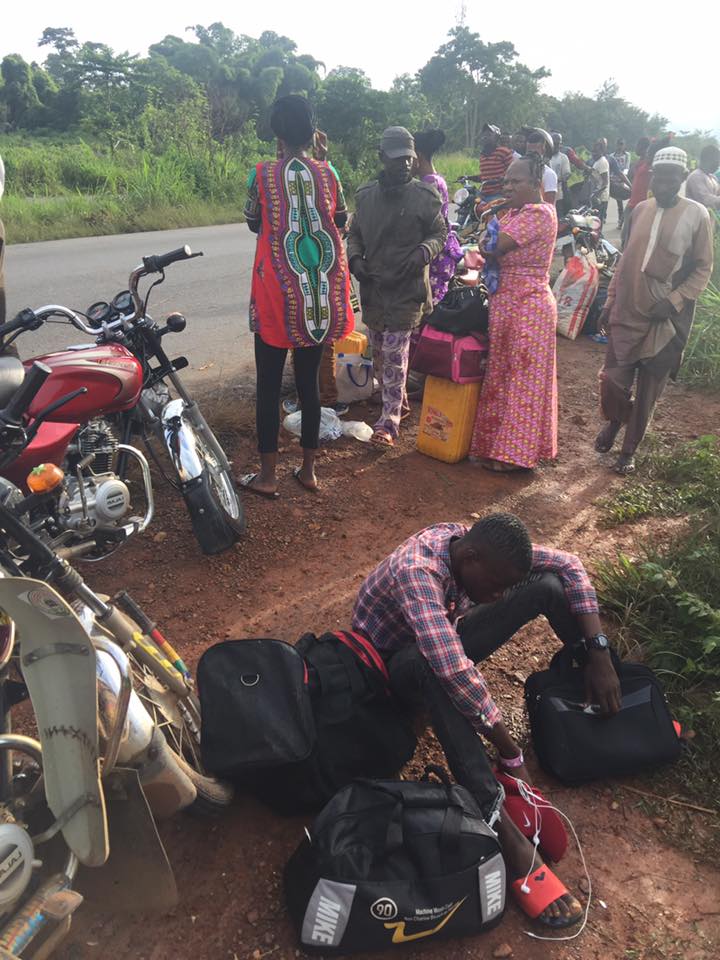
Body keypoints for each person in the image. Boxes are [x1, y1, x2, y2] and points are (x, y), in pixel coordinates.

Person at [352, 512, 621, 929]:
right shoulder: (418, 572)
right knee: (434, 666)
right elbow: (453, 670)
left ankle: (606, 696)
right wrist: (507, 747)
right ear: (471, 558)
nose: (498, 597)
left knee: (548, 585)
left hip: (440, 644)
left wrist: (598, 653)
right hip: (389, 676)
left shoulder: (475, 546)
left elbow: (569, 564)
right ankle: (499, 823)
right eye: (495, 585)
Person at [241, 95, 353, 497]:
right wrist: (322, 161)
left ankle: (268, 477)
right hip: (317, 293)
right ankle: (308, 470)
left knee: (269, 386)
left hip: (276, 291)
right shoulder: (330, 173)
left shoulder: (263, 174)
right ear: (312, 132)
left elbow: (254, 222)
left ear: (276, 132)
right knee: (308, 383)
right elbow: (340, 220)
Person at [596, 146, 714, 474]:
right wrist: (609, 301)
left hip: (665, 321)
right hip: (627, 312)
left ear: (681, 178)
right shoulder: (640, 210)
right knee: (613, 382)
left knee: (648, 391)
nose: (663, 183)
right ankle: (617, 421)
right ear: (652, 176)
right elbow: (623, 262)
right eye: (658, 176)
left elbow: (703, 268)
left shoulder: (697, 215)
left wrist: (675, 301)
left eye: (671, 177)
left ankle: (628, 450)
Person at [348, 127, 447, 448]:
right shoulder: (365, 197)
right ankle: (399, 404)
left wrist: (423, 252)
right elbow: (355, 235)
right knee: (380, 355)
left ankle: (388, 423)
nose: (404, 164)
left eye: (408, 158)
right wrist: (355, 260)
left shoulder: (425, 197)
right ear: (381, 158)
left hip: (407, 292)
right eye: (396, 159)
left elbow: (439, 233)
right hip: (375, 289)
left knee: (394, 356)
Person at [469, 153, 558, 472]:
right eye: (506, 180)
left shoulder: (539, 213)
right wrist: (485, 240)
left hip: (529, 306)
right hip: (506, 303)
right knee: (501, 374)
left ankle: (514, 456)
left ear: (536, 184)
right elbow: (486, 241)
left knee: (522, 379)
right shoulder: (516, 211)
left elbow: (493, 245)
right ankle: (492, 447)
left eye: (515, 181)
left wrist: (486, 242)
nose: (508, 186)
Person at [413, 129, 464, 305]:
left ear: (417, 156)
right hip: (440, 250)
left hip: (435, 254)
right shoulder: (435, 179)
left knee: (428, 307)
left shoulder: (429, 183)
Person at [474, 123, 514, 205]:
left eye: (489, 135)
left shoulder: (504, 152)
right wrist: (468, 177)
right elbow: (484, 176)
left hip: (498, 194)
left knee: (492, 216)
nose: (485, 137)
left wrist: (501, 179)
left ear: (496, 137)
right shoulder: (483, 156)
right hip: (483, 194)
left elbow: (512, 172)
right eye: (484, 135)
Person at [524, 128, 557, 205]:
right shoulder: (518, 171)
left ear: (543, 150)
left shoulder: (549, 174)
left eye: (535, 152)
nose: (531, 155)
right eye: (529, 152)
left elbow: (550, 205)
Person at [685, 144, 720, 211]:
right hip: (696, 218)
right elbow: (706, 200)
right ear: (708, 160)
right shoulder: (696, 176)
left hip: (709, 218)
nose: (718, 165)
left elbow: (717, 193)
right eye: (717, 161)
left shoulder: (712, 177)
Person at [588, 139, 610, 224]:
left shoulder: (602, 162)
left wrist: (596, 195)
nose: (593, 154)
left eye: (596, 152)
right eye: (592, 152)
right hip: (596, 197)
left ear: (601, 151)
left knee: (597, 224)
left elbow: (605, 182)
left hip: (601, 198)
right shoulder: (597, 162)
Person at [549, 132, 571, 213]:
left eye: (558, 144)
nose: (556, 146)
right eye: (554, 143)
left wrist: (554, 180)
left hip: (558, 195)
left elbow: (566, 175)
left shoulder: (563, 157)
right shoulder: (543, 157)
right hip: (544, 195)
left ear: (561, 144)